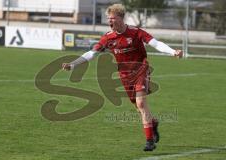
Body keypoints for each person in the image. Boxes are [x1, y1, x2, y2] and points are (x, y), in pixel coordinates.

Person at [62, 4, 183, 151]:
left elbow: (155, 43)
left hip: (140, 70)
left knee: (141, 104)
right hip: (125, 76)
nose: (109, 22)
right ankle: (154, 123)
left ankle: (149, 141)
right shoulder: (108, 38)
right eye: (108, 19)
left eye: (112, 18)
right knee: (139, 108)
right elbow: (91, 53)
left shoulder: (136, 32)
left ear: (121, 18)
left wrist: (172, 52)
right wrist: (73, 64)